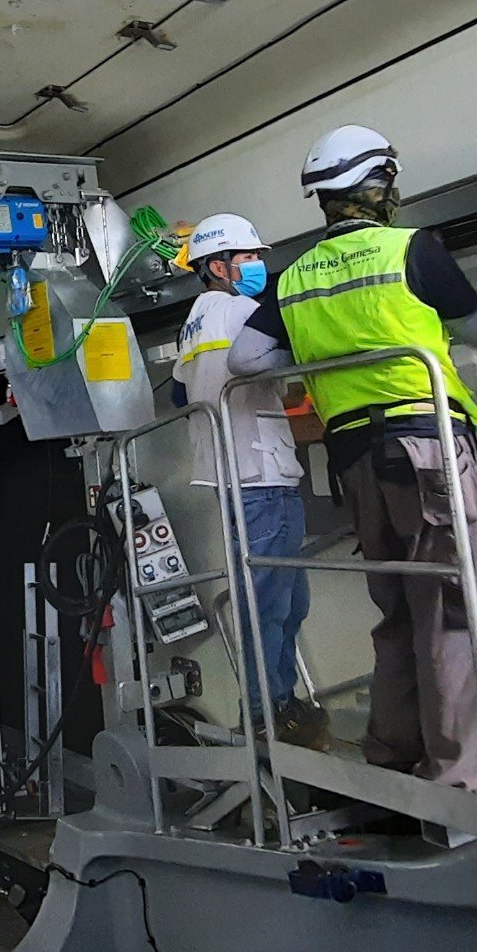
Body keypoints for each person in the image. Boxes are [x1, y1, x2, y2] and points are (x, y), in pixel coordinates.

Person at [244, 126, 477, 789]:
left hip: (356, 460)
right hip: (429, 448)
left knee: (399, 612)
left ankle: (395, 765)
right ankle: (462, 784)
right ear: (379, 185)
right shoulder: (413, 249)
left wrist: (328, 358)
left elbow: (246, 359)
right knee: (455, 610)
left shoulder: (293, 277)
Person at [170, 213, 308, 727]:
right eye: (247, 257)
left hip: (230, 474)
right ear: (216, 266)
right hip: (261, 471)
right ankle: (266, 713)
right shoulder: (242, 310)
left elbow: (180, 393)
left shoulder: (193, 321)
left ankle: (278, 703)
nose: (256, 266)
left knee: (282, 602)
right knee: (272, 605)